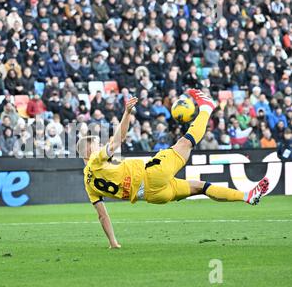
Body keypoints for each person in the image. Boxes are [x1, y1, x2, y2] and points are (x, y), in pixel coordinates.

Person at [77, 89, 270, 248]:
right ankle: (206, 108)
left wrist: (113, 242)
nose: (98, 144)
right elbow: (118, 139)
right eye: (95, 143)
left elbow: (102, 215)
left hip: (152, 196)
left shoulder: (88, 184)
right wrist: (127, 113)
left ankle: (247, 196)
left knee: (200, 187)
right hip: (152, 175)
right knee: (186, 143)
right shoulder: (95, 159)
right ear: (88, 151)